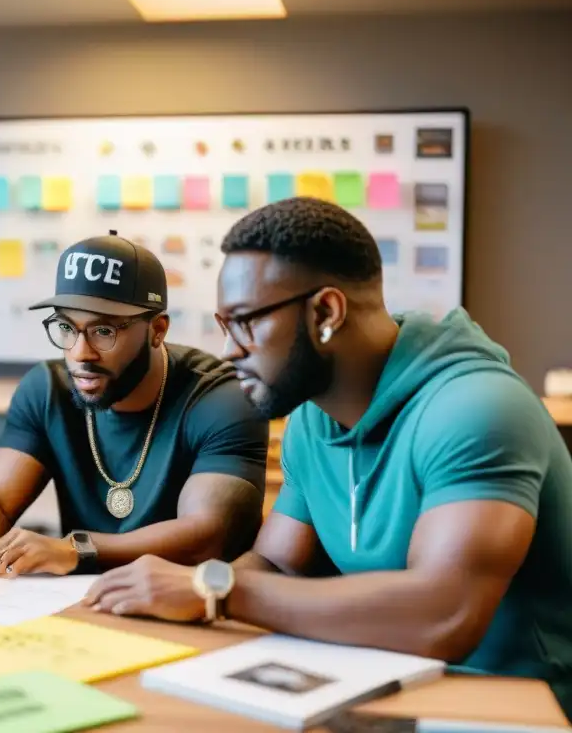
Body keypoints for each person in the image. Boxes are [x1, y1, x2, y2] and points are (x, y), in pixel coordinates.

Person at [83, 198, 572, 718]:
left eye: (245, 322)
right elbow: (278, 565)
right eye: (224, 326)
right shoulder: (311, 419)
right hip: (379, 679)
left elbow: (443, 615)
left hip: (515, 703)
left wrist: (213, 587)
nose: (229, 351)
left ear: (326, 313)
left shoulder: (476, 407)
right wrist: (170, 610)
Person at [0, 231, 269, 579]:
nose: (80, 353)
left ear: (157, 330)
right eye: (66, 328)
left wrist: (79, 550)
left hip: (200, 609)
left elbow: (207, 534)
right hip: (80, 604)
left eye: (104, 331)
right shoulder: (48, 390)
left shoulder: (221, 397)